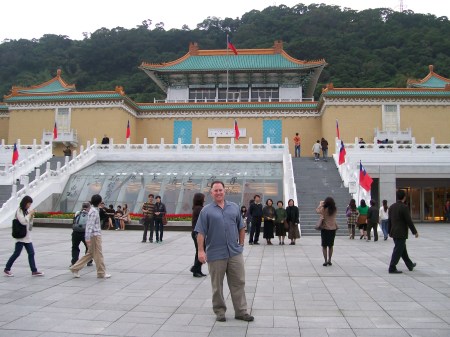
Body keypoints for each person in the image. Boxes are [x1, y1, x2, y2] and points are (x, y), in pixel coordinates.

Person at [195, 181, 254, 322]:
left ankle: (241, 311)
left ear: (224, 191)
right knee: (217, 285)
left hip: (234, 253)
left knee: (238, 282)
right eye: (215, 191)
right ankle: (220, 311)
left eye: (220, 190)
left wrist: (241, 244)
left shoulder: (234, 207)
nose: (218, 193)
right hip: (216, 254)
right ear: (211, 193)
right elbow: (200, 233)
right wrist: (201, 251)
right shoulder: (206, 211)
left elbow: (241, 226)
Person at [70, 194, 111, 279]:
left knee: (90, 254)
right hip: (95, 236)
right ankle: (101, 273)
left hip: (94, 236)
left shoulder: (94, 210)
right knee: (98, 254)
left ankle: (75, 268)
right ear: (100, 202)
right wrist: (87, 238)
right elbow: (89, 226)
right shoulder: (94, 212)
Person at [4, 195, 44, 277]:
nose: (29, 205)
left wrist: (31, 216)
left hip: (27, 236)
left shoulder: (27, 211)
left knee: (31, 253)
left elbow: (30, 224)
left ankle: (34, 271)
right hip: (20, 236)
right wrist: (30, 214)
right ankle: (7, 269)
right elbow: (23, 222)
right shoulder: (19, 211)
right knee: (17, 253)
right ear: (25, 203)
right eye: (28, 203)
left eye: (30, 204)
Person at [388, 189, 419, 274]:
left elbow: (389, 220)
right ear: (404, 197)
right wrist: (415, 232)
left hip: (394, 232)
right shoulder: (404, 207)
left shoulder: (391, 207)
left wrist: (389, 231)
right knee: (398, 250)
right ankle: (392, 267)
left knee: (402, 250)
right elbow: (408, 221)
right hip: (401, 232)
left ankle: (410, 265)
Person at [316, 197, 338, 266]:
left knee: (324, 246)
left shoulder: (324, 209)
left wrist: (320, 204)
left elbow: (317, 211)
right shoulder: (335, 209)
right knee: (331, 246)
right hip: (333, 229)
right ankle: (330, 260)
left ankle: (325, 260)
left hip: (325, 229)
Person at [71, 202, 93, 267]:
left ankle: (74, 261)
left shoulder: (78, 213)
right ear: (89, 207)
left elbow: (74, 221)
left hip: (76, 232)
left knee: (75, 247)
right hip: (85, 233)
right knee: (88, 247)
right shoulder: (90, 213)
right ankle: (89, 261)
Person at [190, 193, 206, 277]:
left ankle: (197, 270)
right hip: (198, 233)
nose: (205, 199)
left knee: (199, 251)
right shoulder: (200, 209)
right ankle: (195, 268)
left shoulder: (197, 208)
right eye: (204, 198)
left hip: (196, 232)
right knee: (201, 251)